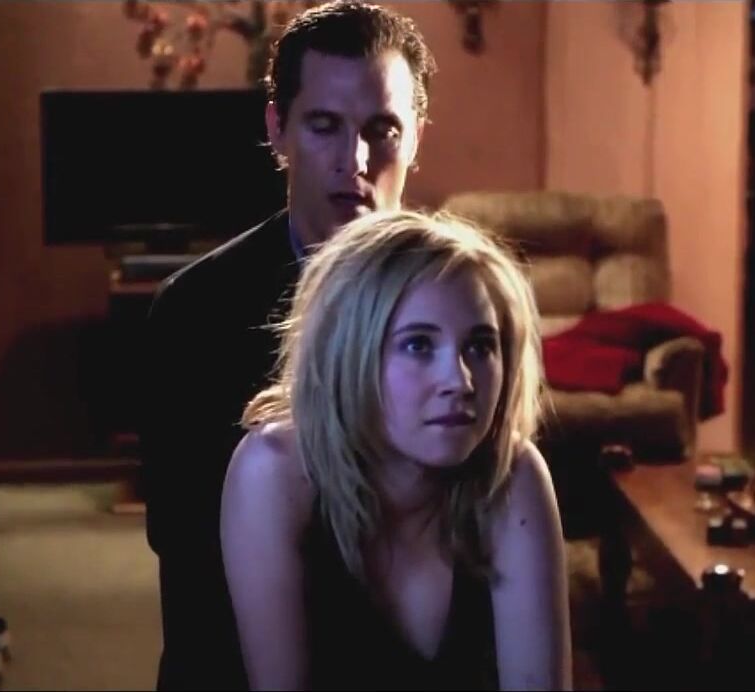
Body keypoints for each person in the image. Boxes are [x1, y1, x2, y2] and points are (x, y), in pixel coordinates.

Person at [140, 3, 436, 689]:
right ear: (278, 129)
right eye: (324, 126)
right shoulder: (192, 314)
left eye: (382, 130)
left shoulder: (457, 307)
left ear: (416, 136)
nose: (354, 161)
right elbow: (188, 562)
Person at [222, 210, 572, 690]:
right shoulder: (273, 472)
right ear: (351, 353)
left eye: (479, 346)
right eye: (418, 345)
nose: (460, 381)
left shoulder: (513, 474)